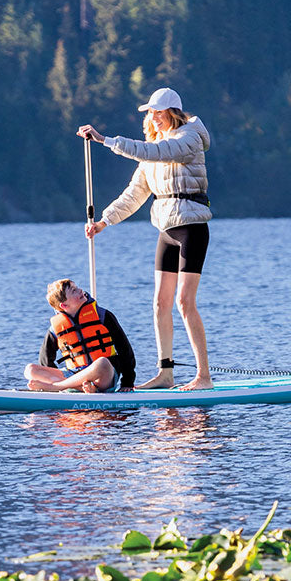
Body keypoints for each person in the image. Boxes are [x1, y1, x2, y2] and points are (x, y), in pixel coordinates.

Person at [77, 87, 213, 390]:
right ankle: (166, 373)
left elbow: (158, 152)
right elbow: (135, 193)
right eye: (151, 113)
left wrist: (105, 140)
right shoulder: (153, 148)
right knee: (160, 303)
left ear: (173, 113)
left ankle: (203, 376)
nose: (154, 118)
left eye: (158, 112)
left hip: (191, 227)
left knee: (184, 302)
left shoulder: (188, 139)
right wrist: (104, 221)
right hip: (166, 230)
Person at [24, 278, 135, 393]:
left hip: (103, 376)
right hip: (74, 375)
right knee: (30, 370)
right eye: (73, 291)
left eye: (76, 287)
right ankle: (80, 388)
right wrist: (53, 377)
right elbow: (45, 359)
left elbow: (124, 348)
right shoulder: (55, 329)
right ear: (64, 305)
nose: (80, 290)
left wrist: (127, 382)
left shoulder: (103, 316)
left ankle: (58, 386)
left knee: (102, 363)